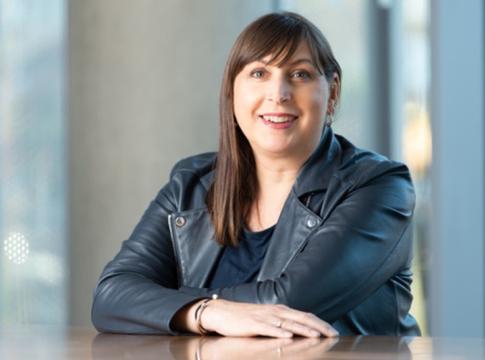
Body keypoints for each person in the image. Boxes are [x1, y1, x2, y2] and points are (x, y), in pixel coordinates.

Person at [91, 11, 420, 337]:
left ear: (332, 92)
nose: (278, 94)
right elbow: (112, 294)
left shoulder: (379, 188)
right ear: (232, 92)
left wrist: (172, 308)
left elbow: (289, 303)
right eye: (259, 73)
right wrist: (207, 312)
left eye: (300, 74)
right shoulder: (192, 184)